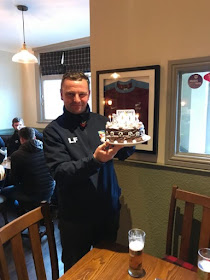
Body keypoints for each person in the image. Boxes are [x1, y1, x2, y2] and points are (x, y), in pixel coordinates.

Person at [43, 72, 135, 271]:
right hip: (75, 218)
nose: (77, 99)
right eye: (70, 94)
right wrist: (95, 161)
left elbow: (122, 153)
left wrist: (129, 142)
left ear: (89, 93)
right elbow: (60, 172)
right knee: (76, 270)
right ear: (61, 94)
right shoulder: (53, 131)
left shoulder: (102, 121)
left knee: (107, 267)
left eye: (82, 94)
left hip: (107, 211)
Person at [2, 127, 55, 207]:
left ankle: (20, 212)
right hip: (50, 189)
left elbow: (14, 180)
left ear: (21, 139)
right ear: (34, 137)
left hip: (32, 194)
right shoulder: (46, 149)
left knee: (4, 191)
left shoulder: (17, 155)